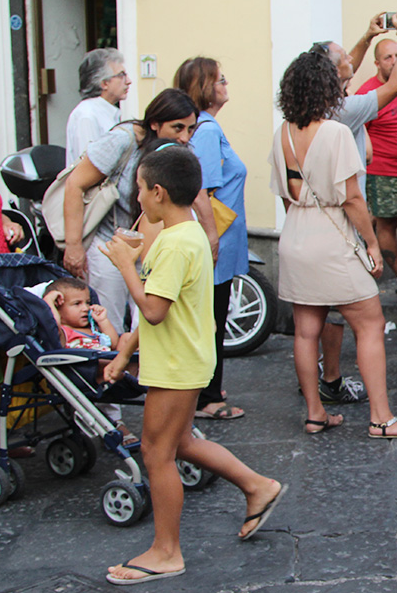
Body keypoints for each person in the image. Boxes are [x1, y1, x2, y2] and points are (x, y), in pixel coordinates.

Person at [101, 146, 285, 585]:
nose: (137, 198)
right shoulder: (187, 235)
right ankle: (258, 486)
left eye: (140, 189)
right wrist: (125, 353)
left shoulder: (173, 244)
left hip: (176, 365)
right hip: (186, 359)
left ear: (158, 192)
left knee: (156, 452)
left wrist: (126, 265)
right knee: (180, 443)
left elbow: (153, 310)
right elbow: (164, 304)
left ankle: (166, 552)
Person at [270, 49, 397, 440]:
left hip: (296, 233)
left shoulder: (283, 132)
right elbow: (352, 198)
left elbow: (285, 194)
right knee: (370, 323)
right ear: (326, 87)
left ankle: (315, 413)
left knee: (306, 330)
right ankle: (382, 419)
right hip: (332, 237)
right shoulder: (335, 131)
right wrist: (372, 244)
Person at [62, 89, 212, 448]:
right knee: (107, 325)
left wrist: (211, 235)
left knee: (141, 322)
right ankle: (108, 417)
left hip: (146, 256)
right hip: (111, 246)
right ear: (155, 123)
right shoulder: (122, 141)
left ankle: (163, 418)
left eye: (191, 129)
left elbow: (151, 315)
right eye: (178, 127)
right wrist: (74, 244)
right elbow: (75, 183)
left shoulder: (178, 227)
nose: (185, 137)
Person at [309, 12, 397, 406]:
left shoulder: (304, 110)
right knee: (368, 320)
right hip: (341, 223)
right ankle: (377, 412)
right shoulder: (344, 110)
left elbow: (342, 66)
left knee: (311, 319)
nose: (350, 63)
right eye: (343, 61)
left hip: (309, 222)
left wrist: (368, 36)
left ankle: (319, 393)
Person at [174, 57, 248, 421]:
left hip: (222, 235)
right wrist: (212, 237)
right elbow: (200, 188)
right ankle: (208, 396)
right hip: (216, 235)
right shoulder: (205, 130)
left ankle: (209, 386)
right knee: (212, 317)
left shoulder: (207, 126)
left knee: (215, 314)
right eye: (220, 79)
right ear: (205, 87)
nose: (226, 83)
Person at [357, 37, 397, 280]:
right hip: (382, 172)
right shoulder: (367, 93)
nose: (394, 61)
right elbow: (359, 135)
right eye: (387, 57)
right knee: (387, 224)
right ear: (377, 63)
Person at [66, 49, 130, 165]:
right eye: (121, 75)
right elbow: (87, 164)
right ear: (104, 83)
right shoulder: (87, 116)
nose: (128, 81)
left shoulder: (107, 112)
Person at [42, 277, 124, 351]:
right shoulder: (62, 332)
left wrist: (103, 320)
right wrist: (49, 300)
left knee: (126, 338)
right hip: (88, 361)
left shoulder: (93, 329)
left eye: (88, 302)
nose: (86, 308)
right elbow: (52, 324)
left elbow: (114, 344)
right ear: (57, 309)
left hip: (110, 359)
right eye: (77, 303)